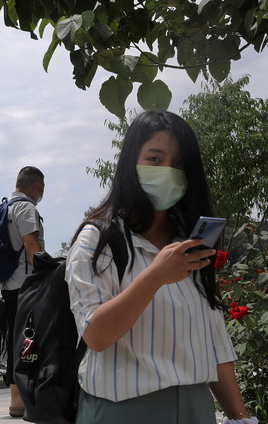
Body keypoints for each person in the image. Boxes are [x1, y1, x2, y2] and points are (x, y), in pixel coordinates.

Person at [66, 111, 255, 424]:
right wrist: (154, 277)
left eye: (179, 164)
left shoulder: (191, 244)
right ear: (131, 163)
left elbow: (214, 344)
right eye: (154, 158)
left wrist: (240, 418)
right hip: (124, 411)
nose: (167, 171)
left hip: (196, 408)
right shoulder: (98, 240)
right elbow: (96, 335)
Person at [0, 166, 45, 418]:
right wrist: (46, 273)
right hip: (27, 286)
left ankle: (16, 399)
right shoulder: (26, 208)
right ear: (37, 187)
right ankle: (28, 397)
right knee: (31, 339)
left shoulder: (3, 208)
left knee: (15, 340)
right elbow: (31, 244)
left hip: (8, 285)